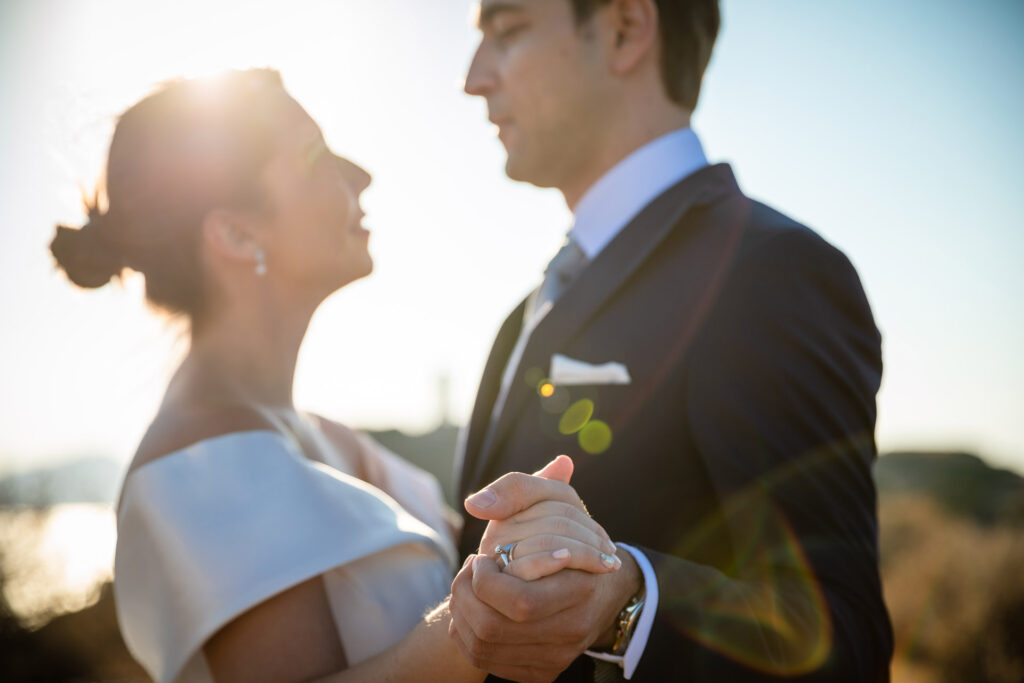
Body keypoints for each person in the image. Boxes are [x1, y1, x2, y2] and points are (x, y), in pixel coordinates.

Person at [50, 68, 622, 683]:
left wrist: (532, 544)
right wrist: (472, 628)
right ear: (238, 233)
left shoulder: (317, 435)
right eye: (316, 155)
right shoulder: (204, 468)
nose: (360, 175)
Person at [449, 1, 894, 681]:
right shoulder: (526, 309)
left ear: (626, 30)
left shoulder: (772, 272)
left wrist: (626, 603)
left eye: (506, 33)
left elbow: (842, 641)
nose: (474, 78)